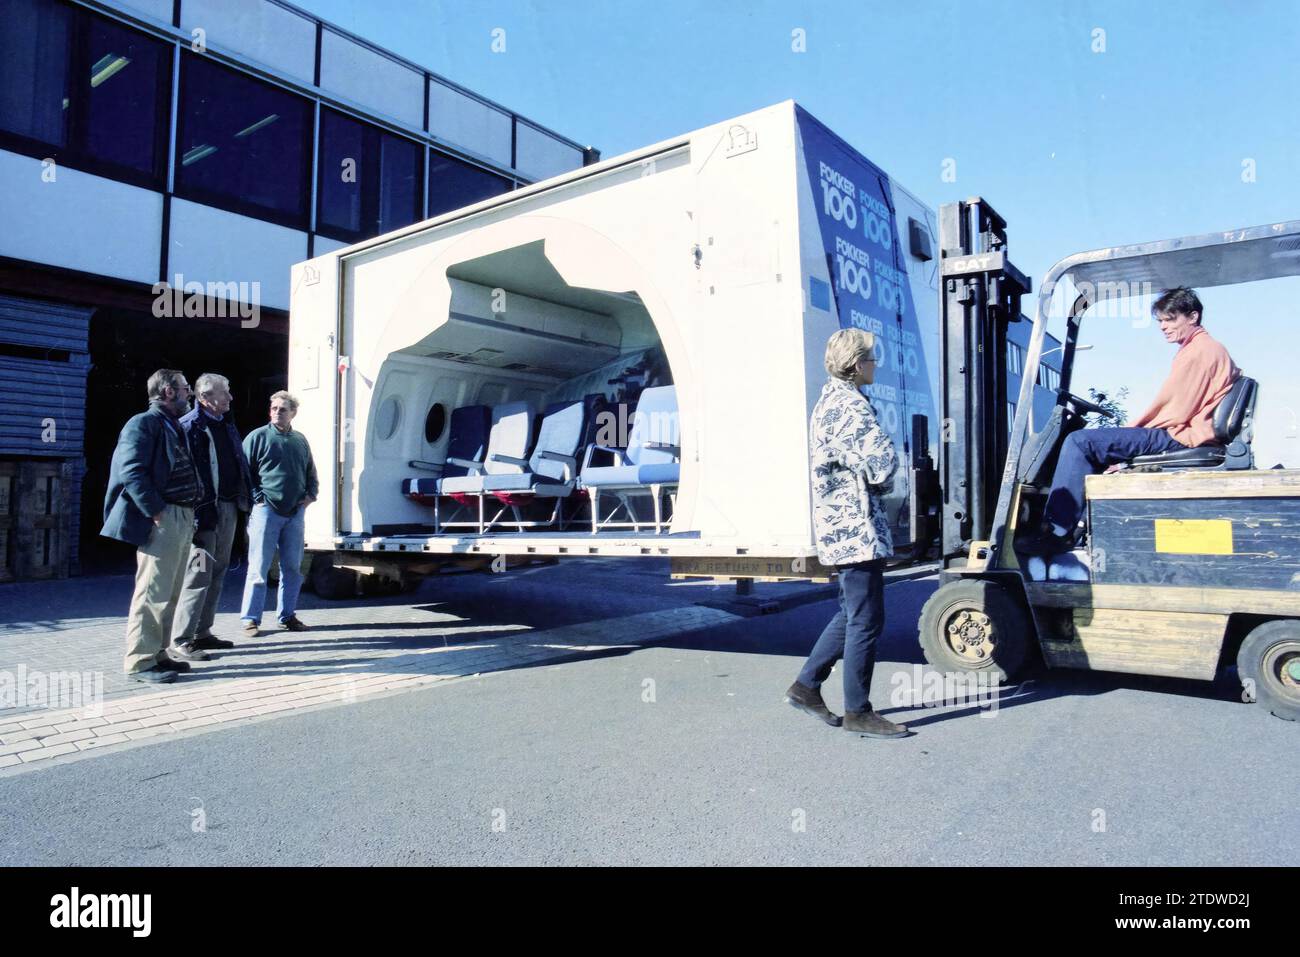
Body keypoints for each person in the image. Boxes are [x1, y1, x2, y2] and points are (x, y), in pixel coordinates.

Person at [1034, 287, 1240, 553]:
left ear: (1193, 317)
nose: (1164, 327)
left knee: (1079, 441)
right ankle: (1082, 526)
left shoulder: (1199, 352)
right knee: (1100, 445)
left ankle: (1057, 530)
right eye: (1161, 321)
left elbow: (1174, 409)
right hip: (1187, 430)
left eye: (1171, 319)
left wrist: (1132, 431)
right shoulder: (1204, 348)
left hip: (1181, 434)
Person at [786, 328, 908, 739]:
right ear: (858, 365)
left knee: (852, 613)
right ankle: (858, 711)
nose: (875, 366)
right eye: (872, 359)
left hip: (841, 528)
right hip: (856, 528)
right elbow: (884, 464)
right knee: (867, 619)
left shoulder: (829, 401)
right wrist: (887, 478)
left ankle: (806, 687)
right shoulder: (851, 408)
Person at [101, 370, 203, 684]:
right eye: (186, 388)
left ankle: (158, 653)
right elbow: (131, 471)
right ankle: (140, 662)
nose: (191, 394)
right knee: (152, 592)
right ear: (169, 391)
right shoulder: (142, 423)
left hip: (181, 515)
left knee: (170, 591)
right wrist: (156, 511)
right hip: (164, 516)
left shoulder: (170, 424)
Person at [171, 373, 253, 659]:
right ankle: (182, 639)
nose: (230, 397)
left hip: (229, 509)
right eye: (224, 393)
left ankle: (202, 632)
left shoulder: (226, 424)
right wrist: (192, 515)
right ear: (205, 398)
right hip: (204, 515)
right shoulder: (188, 428)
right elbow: (181, 475)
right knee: (198, 574)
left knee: (217, 573)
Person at [239, 391, 318, 636]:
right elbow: (244, 472)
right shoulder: (257, 437)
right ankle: (251, 619)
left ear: (293, 413)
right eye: (273, 408)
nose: (276, 412)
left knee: (292, 568)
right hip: (266, 511)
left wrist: (311, 495)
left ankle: (287, 616)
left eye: (282, 409)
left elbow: (310, 471)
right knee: (259, 568)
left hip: (295, 513)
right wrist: (258, 498)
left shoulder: (300, 440)